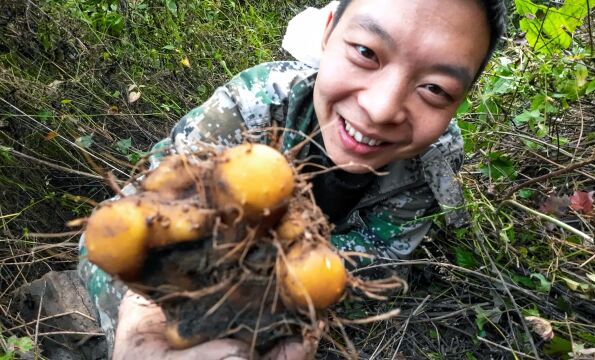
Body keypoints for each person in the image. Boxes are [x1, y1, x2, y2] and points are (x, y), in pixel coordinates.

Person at [78, 0, 506, 358]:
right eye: (366, 52)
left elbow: (376, 271)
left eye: (434, 88)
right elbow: (120, 227)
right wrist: (141, 318)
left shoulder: (434, 161)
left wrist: (277, 294)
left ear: (460, 102)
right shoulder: (252, 106)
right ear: (327, 34)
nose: (380, 109)